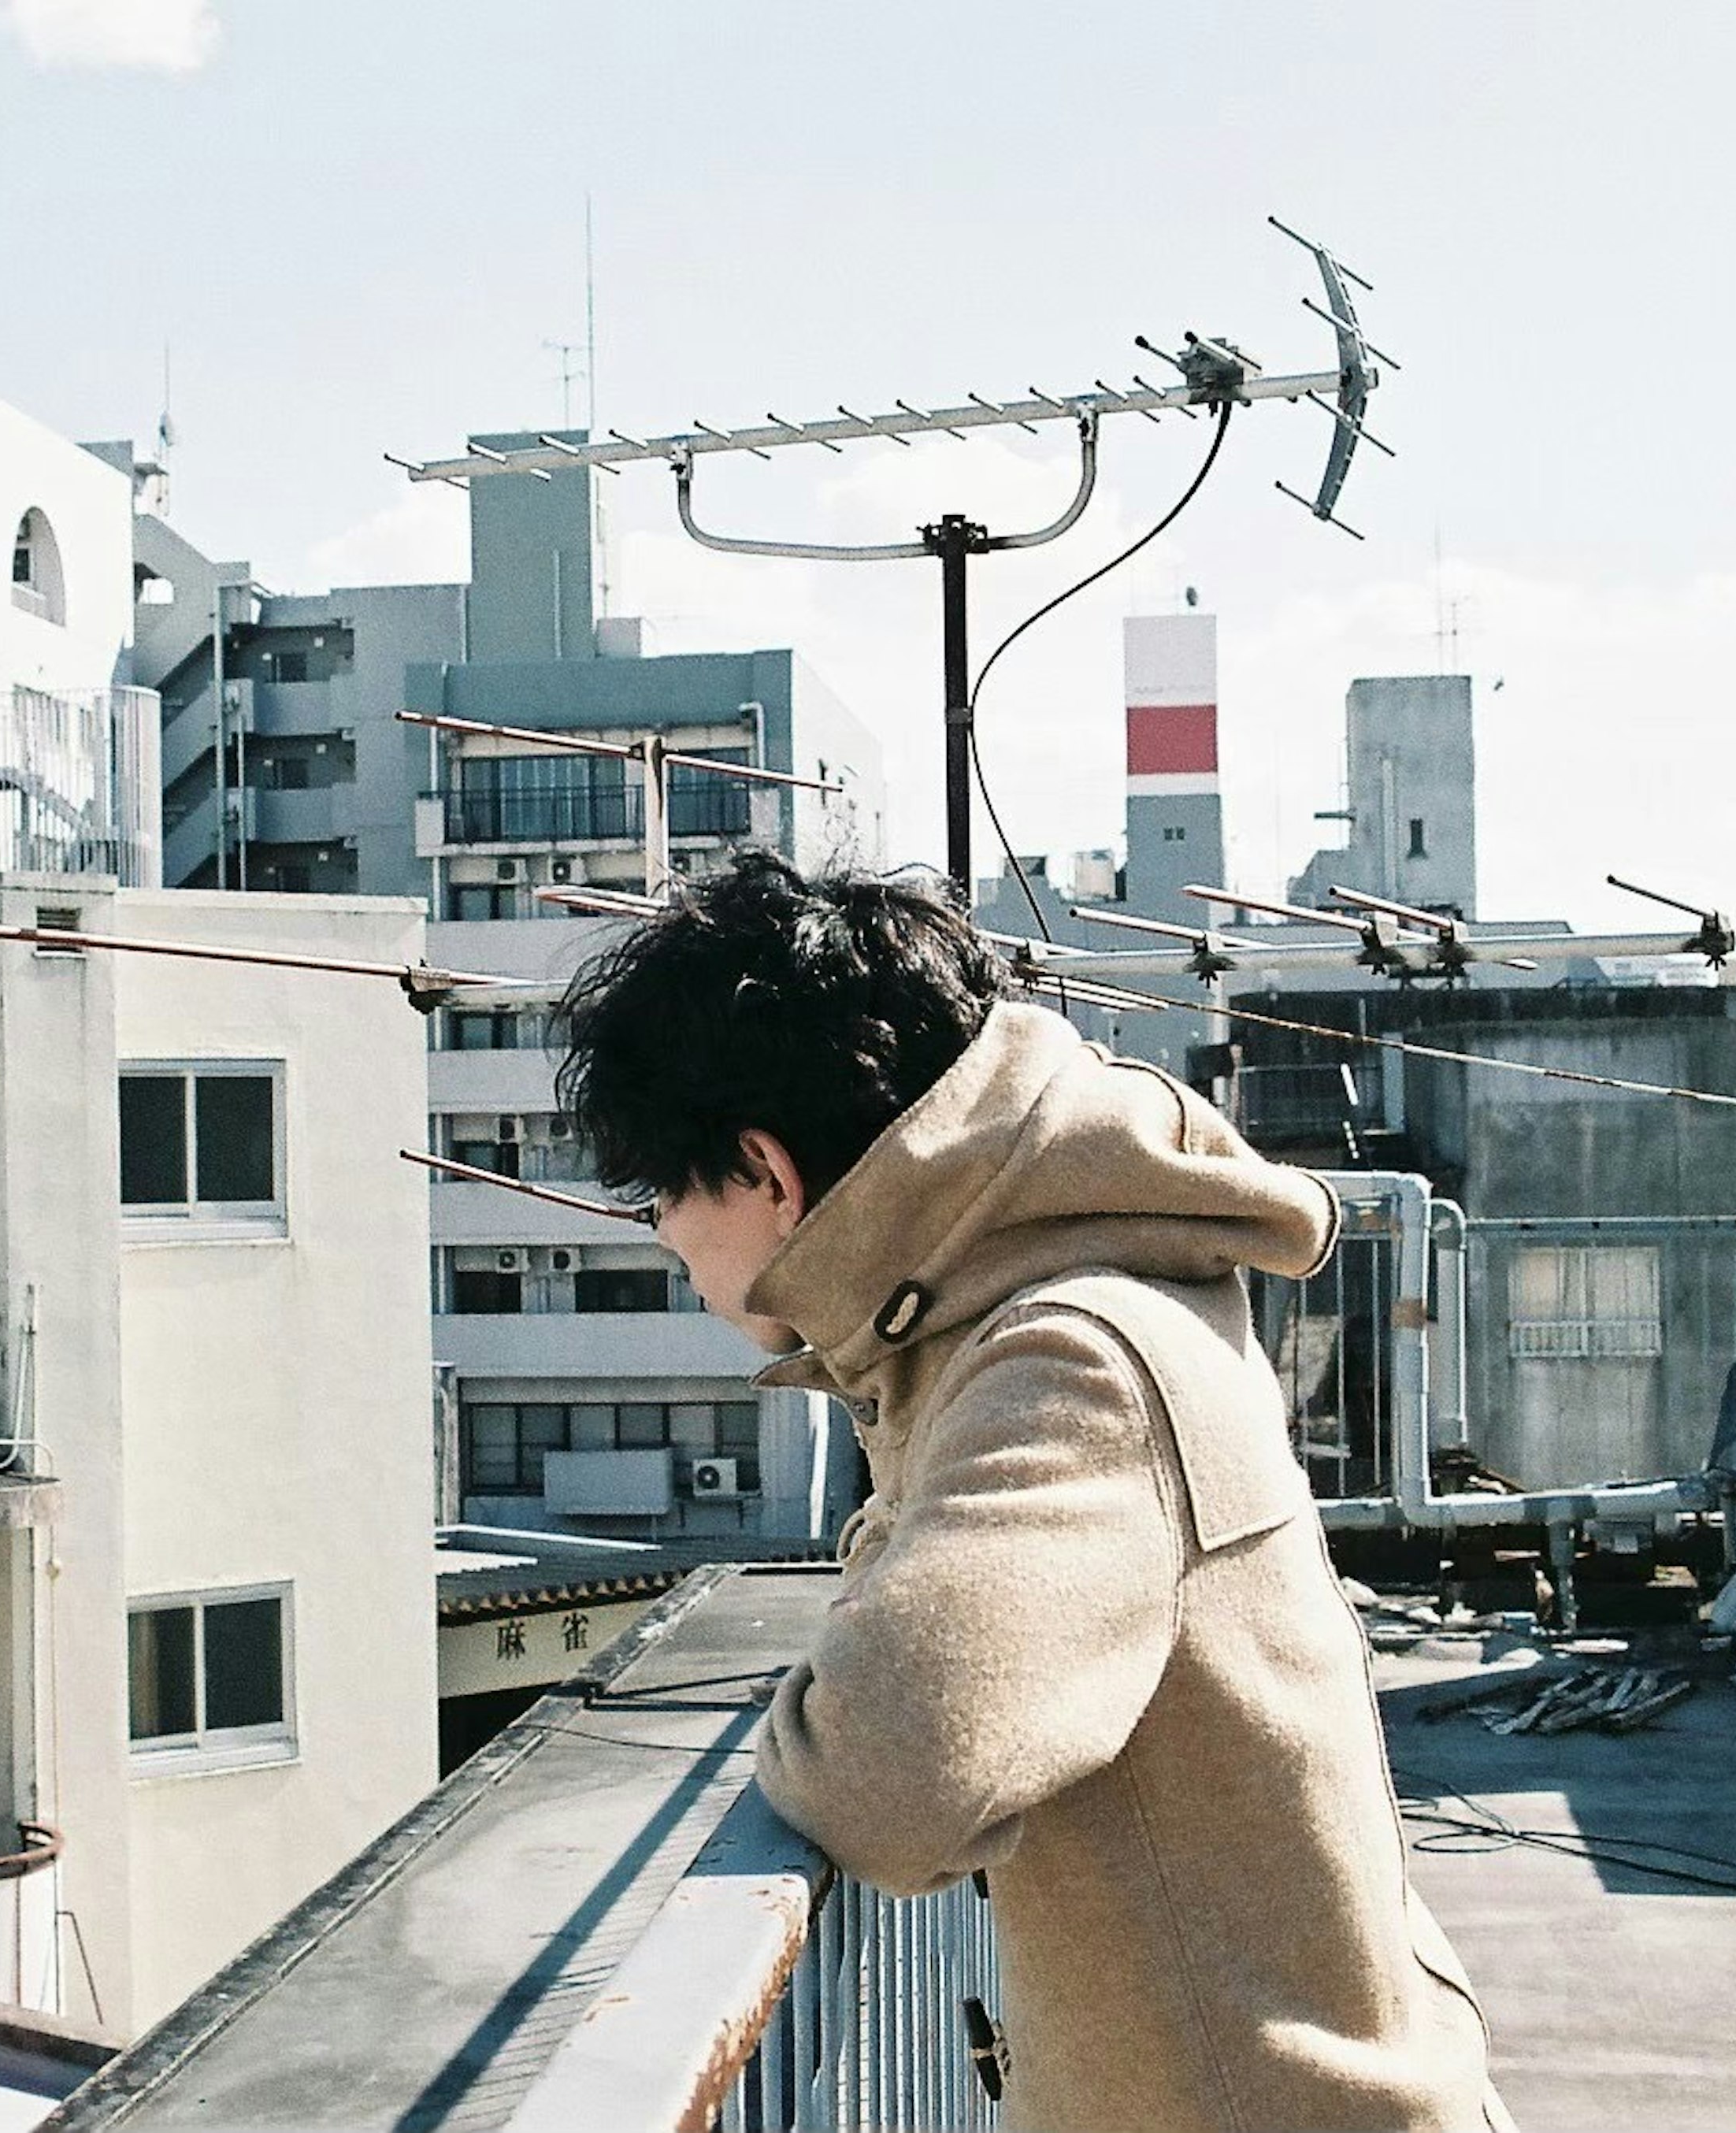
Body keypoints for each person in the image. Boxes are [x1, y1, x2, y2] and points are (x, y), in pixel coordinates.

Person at [555, 852, 1506, 2133]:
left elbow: (887, 1776)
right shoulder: (1068, 1294)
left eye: (664, 1193)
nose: (664, 1233)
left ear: (767, 1175)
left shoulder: (1068, 1357)